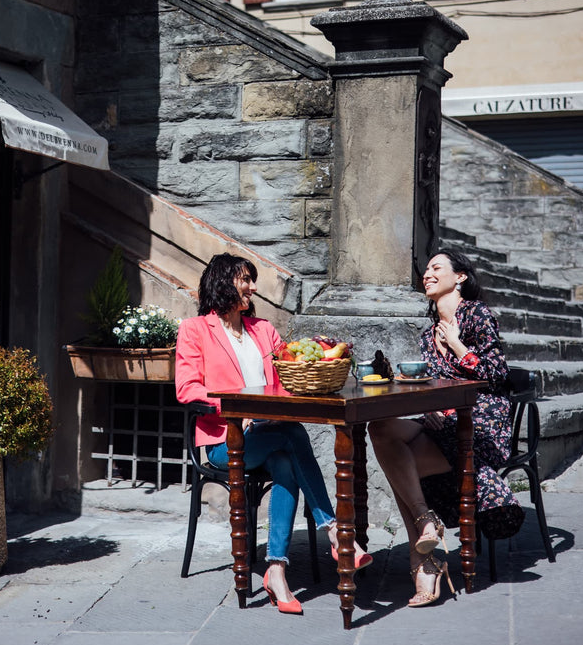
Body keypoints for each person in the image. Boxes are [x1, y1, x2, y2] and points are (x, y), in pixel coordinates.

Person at [175, 253, 371, 616]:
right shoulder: (195, 329)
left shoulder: (263, 330)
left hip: (270, 435)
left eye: (252, 280)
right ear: (223, 282)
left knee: (284, 461)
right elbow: (187, 389)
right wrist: (238, 408)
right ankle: (334, 530)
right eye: (245, 280)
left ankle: (276, 570)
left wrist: (317, 364)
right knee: (292, 433)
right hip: (225, 441)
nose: (252, 288)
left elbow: (286, 377)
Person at [368, 250, 524, 607]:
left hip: (481, 424)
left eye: (436, 268)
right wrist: (431, 407)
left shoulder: (476, 315)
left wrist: (456, 344)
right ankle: (425, 526)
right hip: (443, 423)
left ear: (460, 277)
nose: (427, 274)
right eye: (425, 270)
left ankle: (423, 559)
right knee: (380, 429)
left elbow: (497, 375)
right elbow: (434, 385)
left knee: (398, 465)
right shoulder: (427, 336)